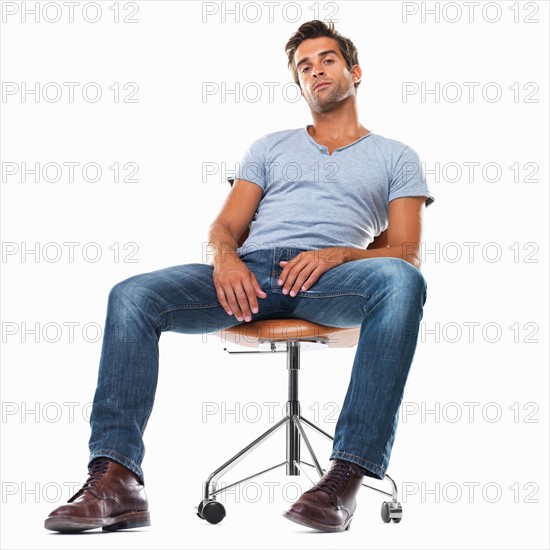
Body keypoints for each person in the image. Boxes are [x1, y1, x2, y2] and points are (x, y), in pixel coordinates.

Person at [44, 19, 434, 534]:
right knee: (132, 295)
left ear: (354, 71)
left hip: (328, 280)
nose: (315, 70)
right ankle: (117, 479)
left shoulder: (396, 156)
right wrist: (225, 258)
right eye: (304, 66)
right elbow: (226, 225)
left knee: (404, 283)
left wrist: (339, 253)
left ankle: (346, 475)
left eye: (327, 59)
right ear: (298, 84)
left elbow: (405, 253)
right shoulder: (270, 146)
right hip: (249, 274)